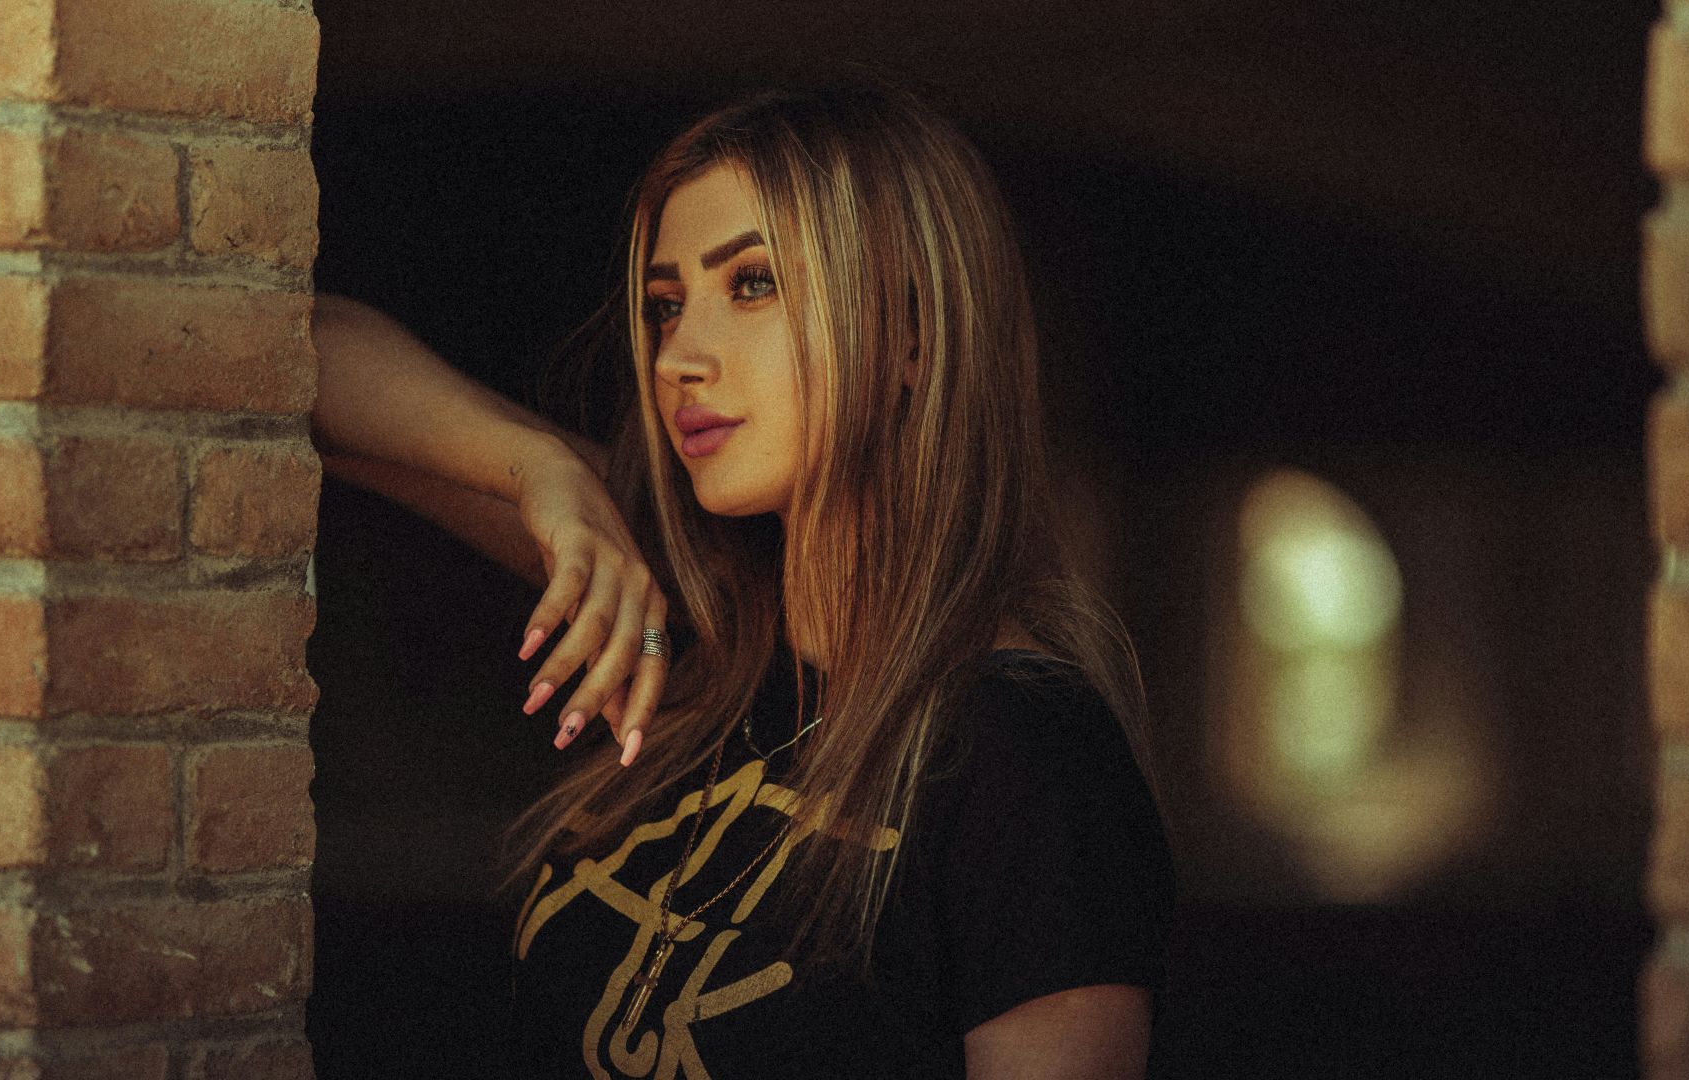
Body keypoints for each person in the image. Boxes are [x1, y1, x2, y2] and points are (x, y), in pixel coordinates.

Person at [310, 84, 1175, 1079]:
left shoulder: (1027, 755)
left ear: (913, 339)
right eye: (667, 305)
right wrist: (540, 472)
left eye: (753, 284)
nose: (678, 356)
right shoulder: (685, 615)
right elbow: (297, 356)